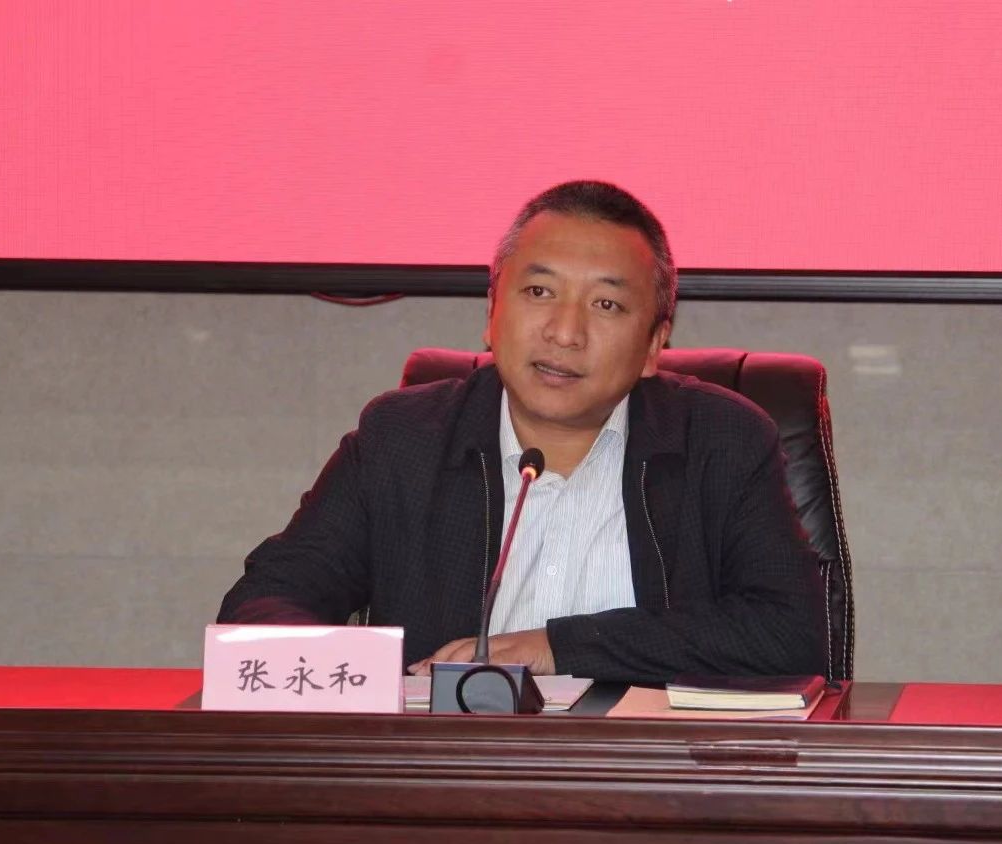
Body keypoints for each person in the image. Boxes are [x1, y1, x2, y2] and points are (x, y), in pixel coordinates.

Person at [218, 180, 825, 682]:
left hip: (648, 778)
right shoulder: (402, 440)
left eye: (606, 305)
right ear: (492, 312)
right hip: (448, 776)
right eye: (539, 291)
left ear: (653, 345)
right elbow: (264, 604)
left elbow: (790, 632)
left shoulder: (721, 442)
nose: (564, 332)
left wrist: (559, 647)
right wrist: (369, 681)